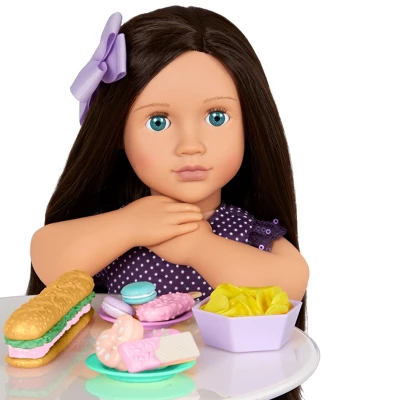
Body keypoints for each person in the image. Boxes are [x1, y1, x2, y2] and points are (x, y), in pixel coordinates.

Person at [28, 7, 309, 399]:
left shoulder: (242, 230)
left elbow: (293, 281)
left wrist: (200, 247)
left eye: (217, 117)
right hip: (121, 388)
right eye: (158, 121)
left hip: (226, 389)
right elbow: (47, 256)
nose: (190, 145)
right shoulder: (117, 233)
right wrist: (127, 226)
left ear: (251, 124)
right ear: (117, 132)